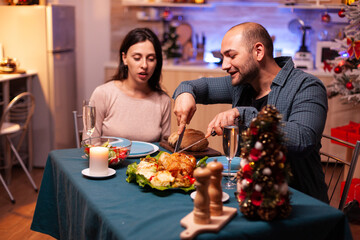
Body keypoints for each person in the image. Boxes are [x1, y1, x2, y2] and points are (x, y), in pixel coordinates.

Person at [173, 22, 329, 203]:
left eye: (231, 56)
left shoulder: (307, 86)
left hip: (297, 201)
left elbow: (303, 139)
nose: (224, 65)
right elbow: (195, 86)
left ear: (259, 52)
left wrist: (244, 115)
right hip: (249, 195)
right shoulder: (243, 84)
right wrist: (185, 93)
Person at [86, 28, 171, 142]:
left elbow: (165, 150)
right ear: (124, 58)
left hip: (149, 160)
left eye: (151, 59)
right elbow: (90, 143)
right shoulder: (103, 94)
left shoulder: (163, 101)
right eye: (137, 58)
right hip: (109, 160)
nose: (144, 65)